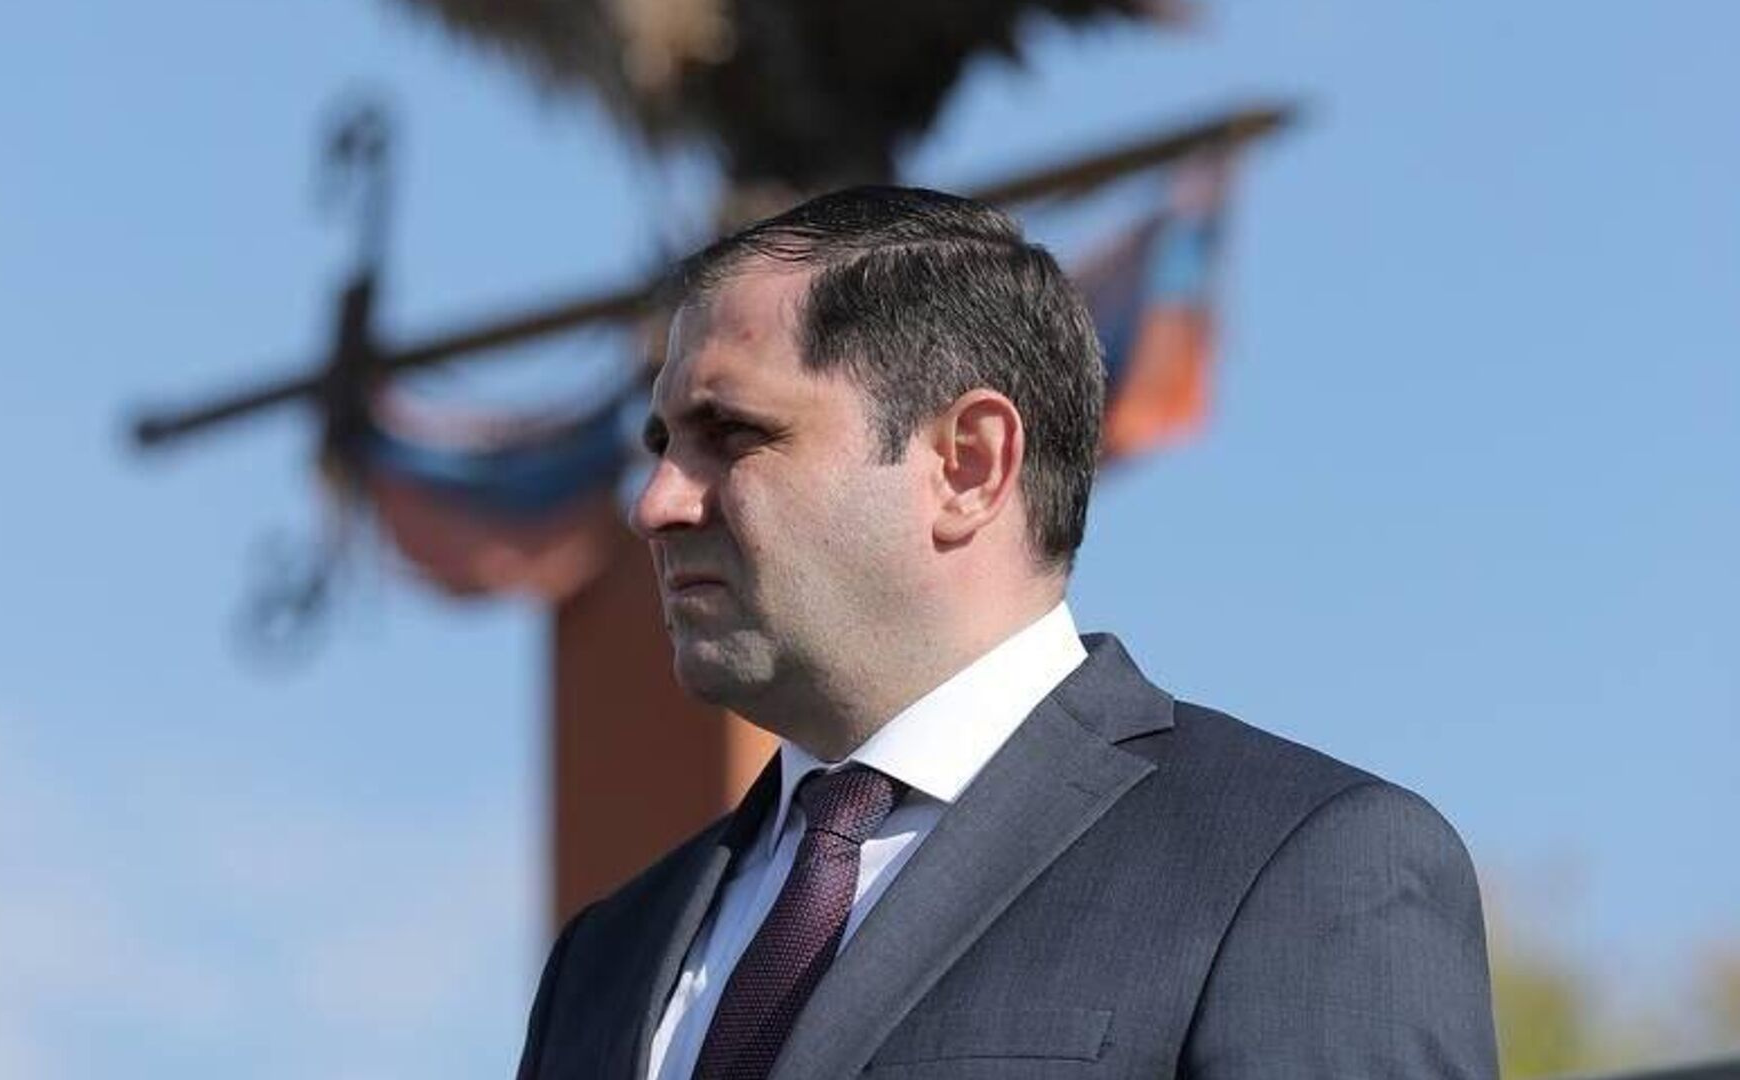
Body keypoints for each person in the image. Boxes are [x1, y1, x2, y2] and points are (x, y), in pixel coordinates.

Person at [516, 186, 1498, 1079]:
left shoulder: (1297, 868)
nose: (655, 503)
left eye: (731, 433)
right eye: (661, 445)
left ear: (969, 464)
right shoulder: (607, 961)